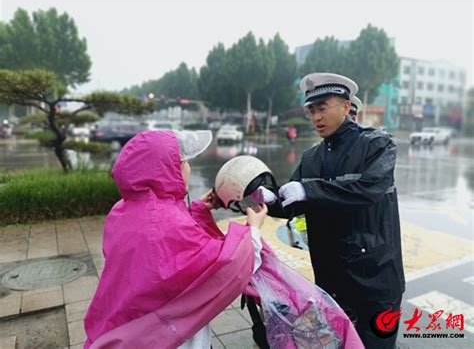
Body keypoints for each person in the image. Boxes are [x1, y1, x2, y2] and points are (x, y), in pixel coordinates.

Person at [251, 72, 405, 348]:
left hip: (377, 281)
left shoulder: (378, 145)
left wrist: (310, 189)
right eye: (311, 110)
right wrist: (267, 199)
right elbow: (293, 205)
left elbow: (368, 188)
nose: (316, 117)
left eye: (323, 108)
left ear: (346, 107)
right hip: (332, 281)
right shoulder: (311, 157)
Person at [84, 129, 267, 349]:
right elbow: (225, 267)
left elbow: (168, 250)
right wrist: (253, 231)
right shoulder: (166, 223)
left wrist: (197, 209)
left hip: (127, 321)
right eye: (186, 162)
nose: (189, 167)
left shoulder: (121, 211)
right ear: (173, 168)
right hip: (167, 337)